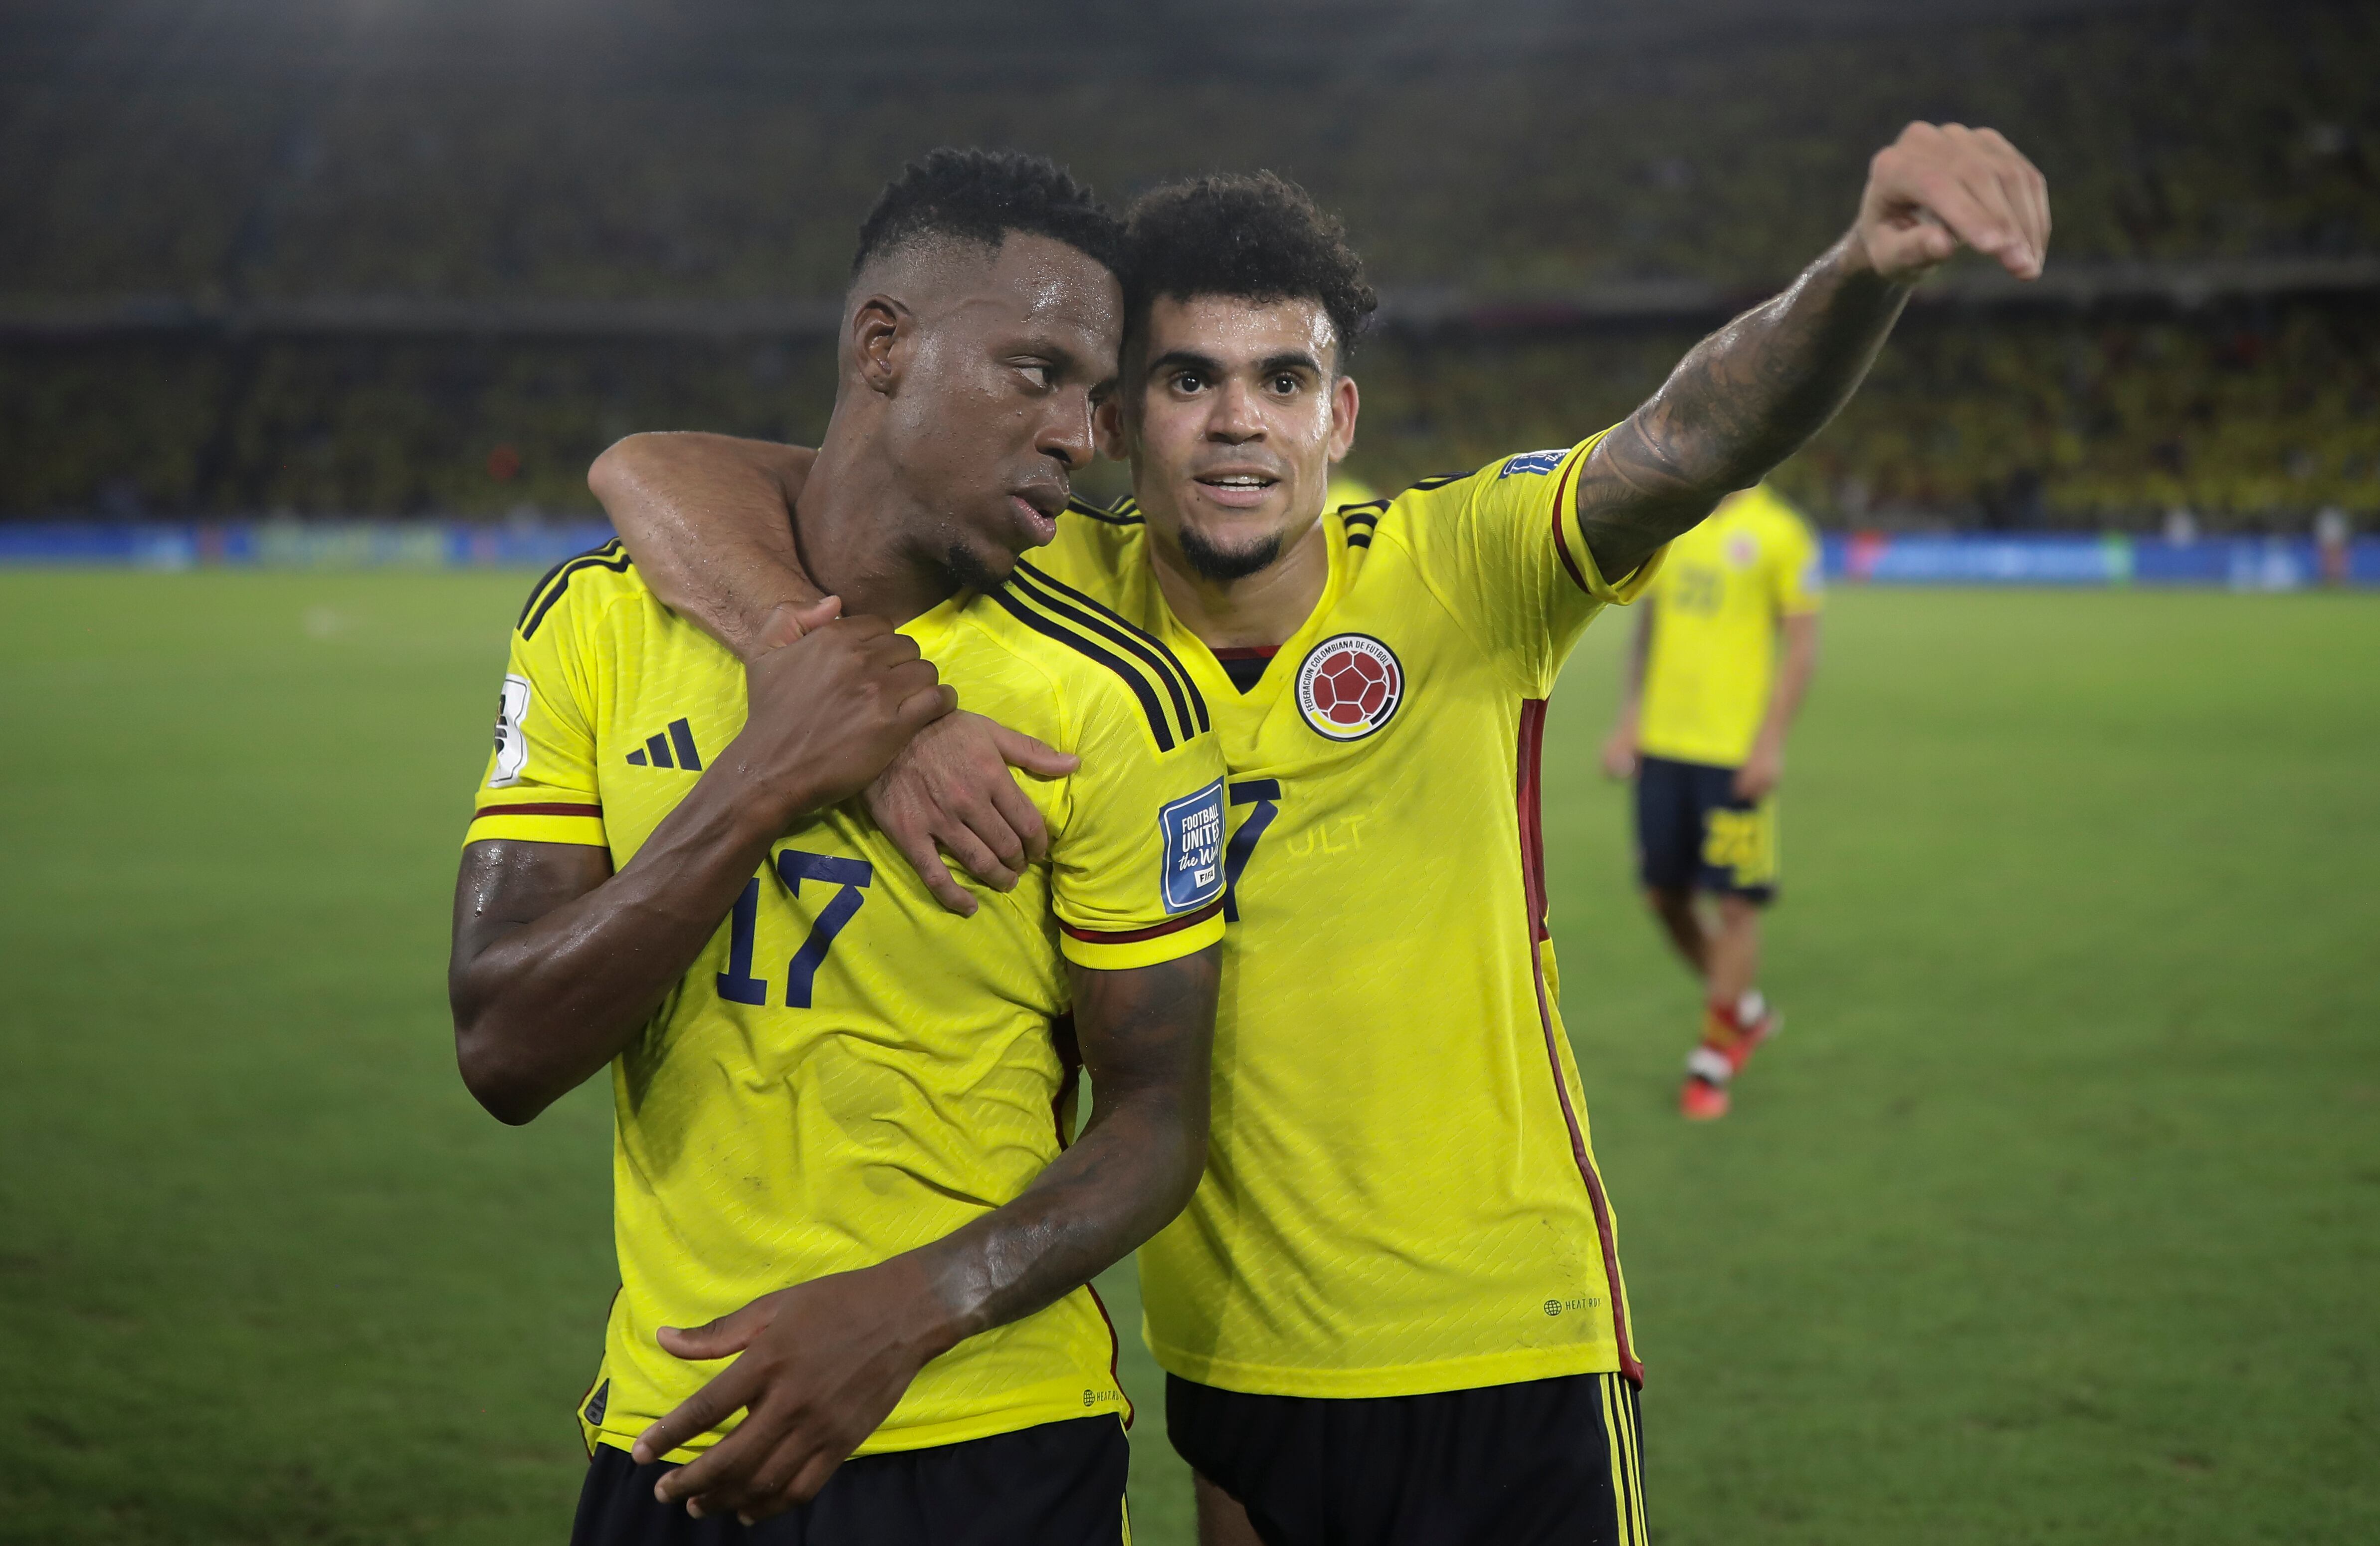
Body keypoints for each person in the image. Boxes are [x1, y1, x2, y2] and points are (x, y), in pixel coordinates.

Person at [591, 123, 2050, 1545]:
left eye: (1283, 379)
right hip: (1232, 1368)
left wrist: (1862, 268)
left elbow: (1693, 433)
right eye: (1188, 379)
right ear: (1117, 416)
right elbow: (656, 470)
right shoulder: (1048, 595)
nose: (1239, 419)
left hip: (1506, 1341)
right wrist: (845, 683)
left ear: (1336, 418)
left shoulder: (1464, 569)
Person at [447, 150, 1229, 1545]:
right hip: (671, 1427)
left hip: (983, 1438)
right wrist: (766, 775)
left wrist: (907, 1311)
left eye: (1096, 399)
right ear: (885, 345)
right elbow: (504, 1050)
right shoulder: (597, 623)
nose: (1077, 432)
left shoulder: (1110, 696)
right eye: (1035, 369)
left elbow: (1156, 1118)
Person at [1599, 482, 1824, 1120]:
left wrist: (1770, 743)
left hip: (1733, 755)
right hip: (1663, 747)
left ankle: (1711, 1057)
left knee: (1734, 904)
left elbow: (1803, 646)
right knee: (1662, 896)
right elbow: (1646, 631)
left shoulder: (1782, 532)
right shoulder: (1673, 523)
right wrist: (1627, 719)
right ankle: (1741, 1011)